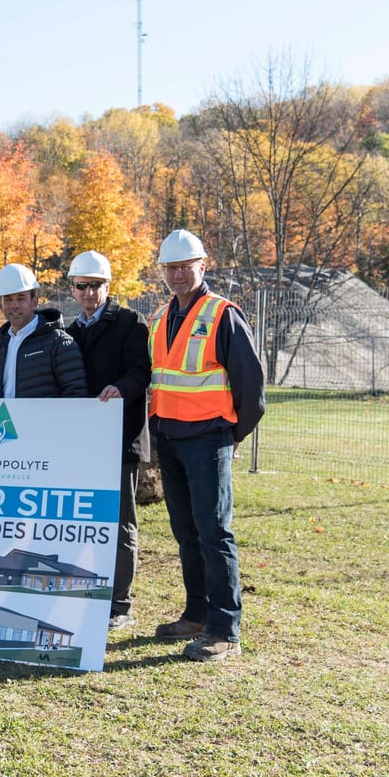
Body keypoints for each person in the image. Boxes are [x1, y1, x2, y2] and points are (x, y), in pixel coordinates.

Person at [149, 229, 265, 662]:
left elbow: (251, 388)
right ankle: (196, 615)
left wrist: (229, 436)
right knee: (186, 532)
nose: (178, 275)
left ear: (203, 265)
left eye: (185, 266)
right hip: (170, 439)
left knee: (214, 533)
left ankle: (224, 630)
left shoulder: (223, 314)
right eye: (171, 268)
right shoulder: (159, 318)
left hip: (207, 440)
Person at [64, 251, 151, 630]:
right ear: (72, 289)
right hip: (81, 443)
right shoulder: (70, 331)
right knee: (83, 522)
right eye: (82, 286)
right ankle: (87, 591)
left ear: (108, 286)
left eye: (95, 285)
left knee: (119, 524)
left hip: (120, 439)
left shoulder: (130, 323)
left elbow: (141, 371)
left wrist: (121, 388)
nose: (89, 293)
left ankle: (119, 604)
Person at [0, 263, 87, 398]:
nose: (14, 305)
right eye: (8, 299)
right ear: (0, 305)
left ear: (34, 302)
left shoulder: (59, 343)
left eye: (21, 298)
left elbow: (76, 395)